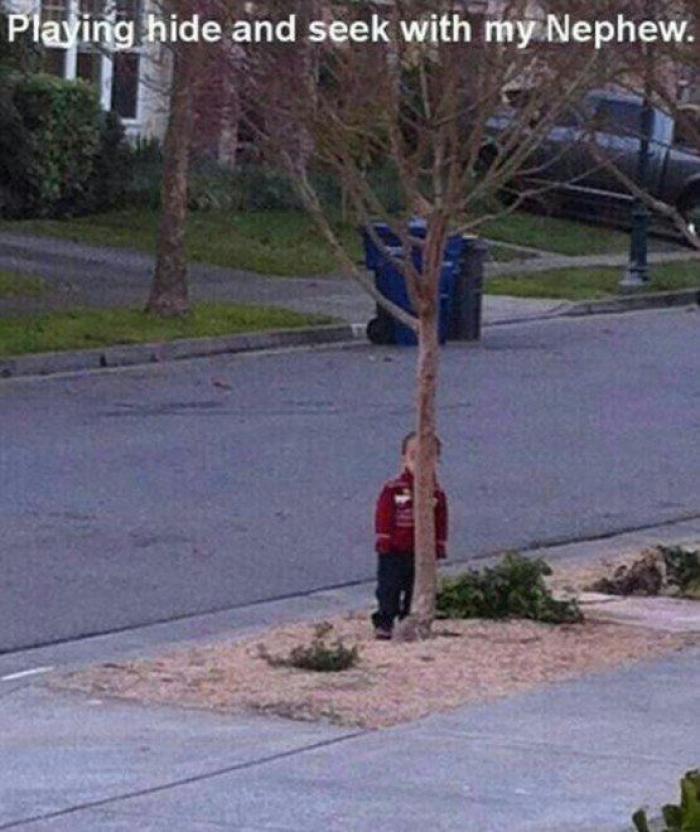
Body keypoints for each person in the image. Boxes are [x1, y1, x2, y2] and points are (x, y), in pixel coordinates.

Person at [371, 431, 448, 639]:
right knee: (389, 587)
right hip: (394, 551)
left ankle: (409, 620)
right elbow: (384, 514)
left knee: (415, 587)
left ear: (437, 462)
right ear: (404, 459)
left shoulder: (437, 494)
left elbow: (441, 521)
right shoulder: (394, 489)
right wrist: (384, 539)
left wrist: (439, 545)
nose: (420, 464)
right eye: (414, 458)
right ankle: (384, 621)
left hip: (421, 552)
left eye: (428, 459)